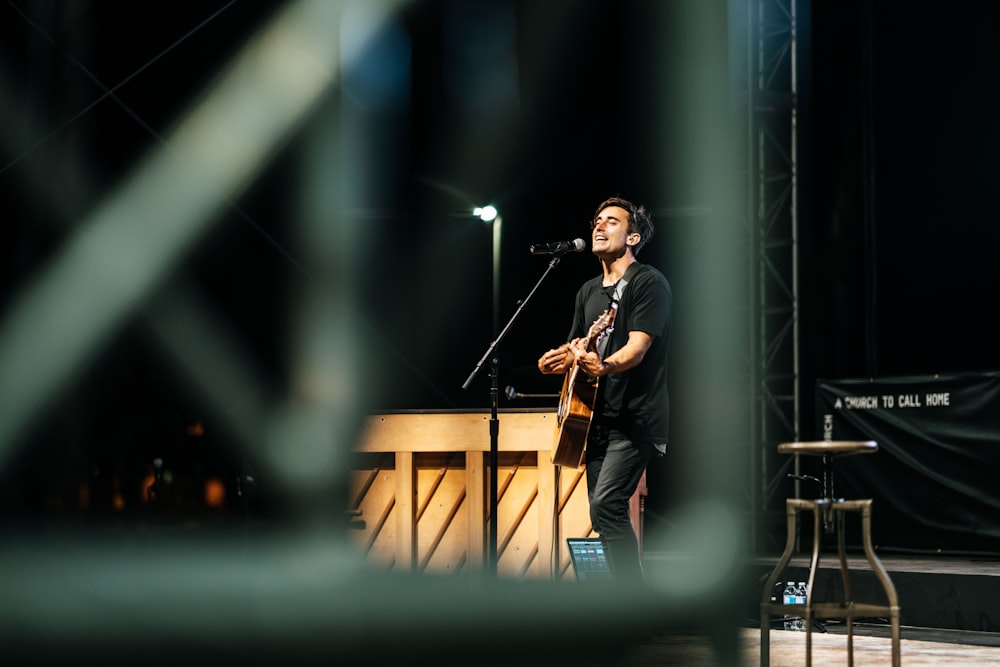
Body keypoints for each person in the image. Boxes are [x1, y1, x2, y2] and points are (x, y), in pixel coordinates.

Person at [537, 196, 672, 582]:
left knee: (608, 505)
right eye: (596, 220)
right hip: (593, 417)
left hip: (634, 417)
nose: (598, 226)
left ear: (632, 237)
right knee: (601, 514)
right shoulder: (588, 292)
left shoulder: (648, 282)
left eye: (611, 221)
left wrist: (606, 365)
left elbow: (638, 346)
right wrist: (558, 358)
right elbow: (579, 345)